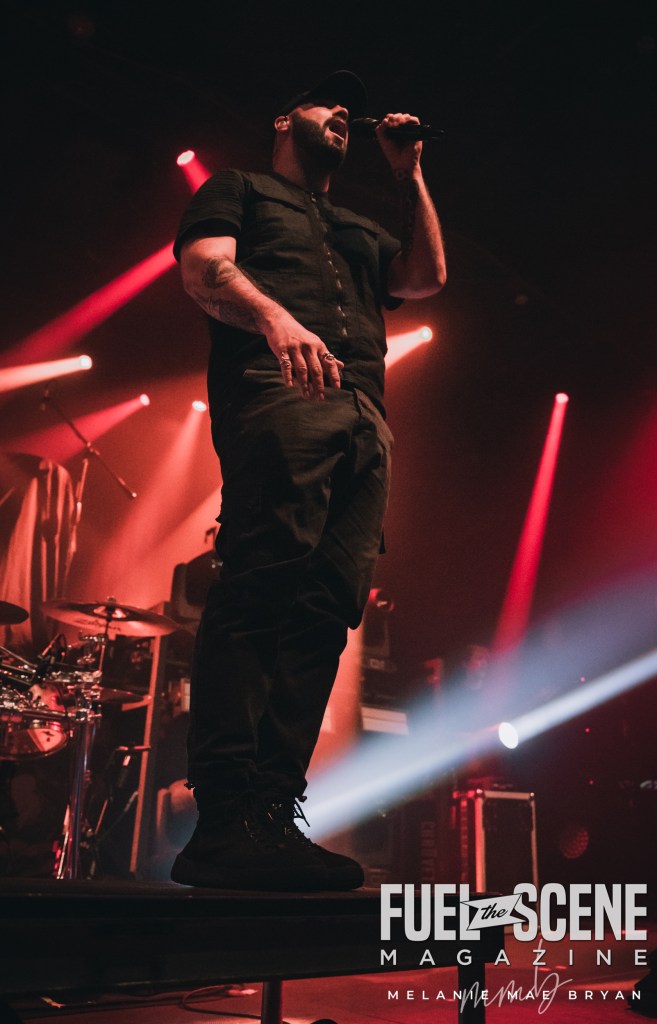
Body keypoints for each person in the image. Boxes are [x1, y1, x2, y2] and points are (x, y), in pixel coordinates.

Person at [171, 70, 446, 890]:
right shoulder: (238, 189)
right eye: (327, 102)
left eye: (348, 108)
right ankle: (222, 820)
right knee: (260, 584)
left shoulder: (359, 227)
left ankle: (270, 814)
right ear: (283, 118)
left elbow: (424, 278)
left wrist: (409, 175)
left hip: (365, 417)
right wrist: (274, 318)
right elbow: (203, 268)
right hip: (279, 393)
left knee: (326, 610)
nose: (343, 114)